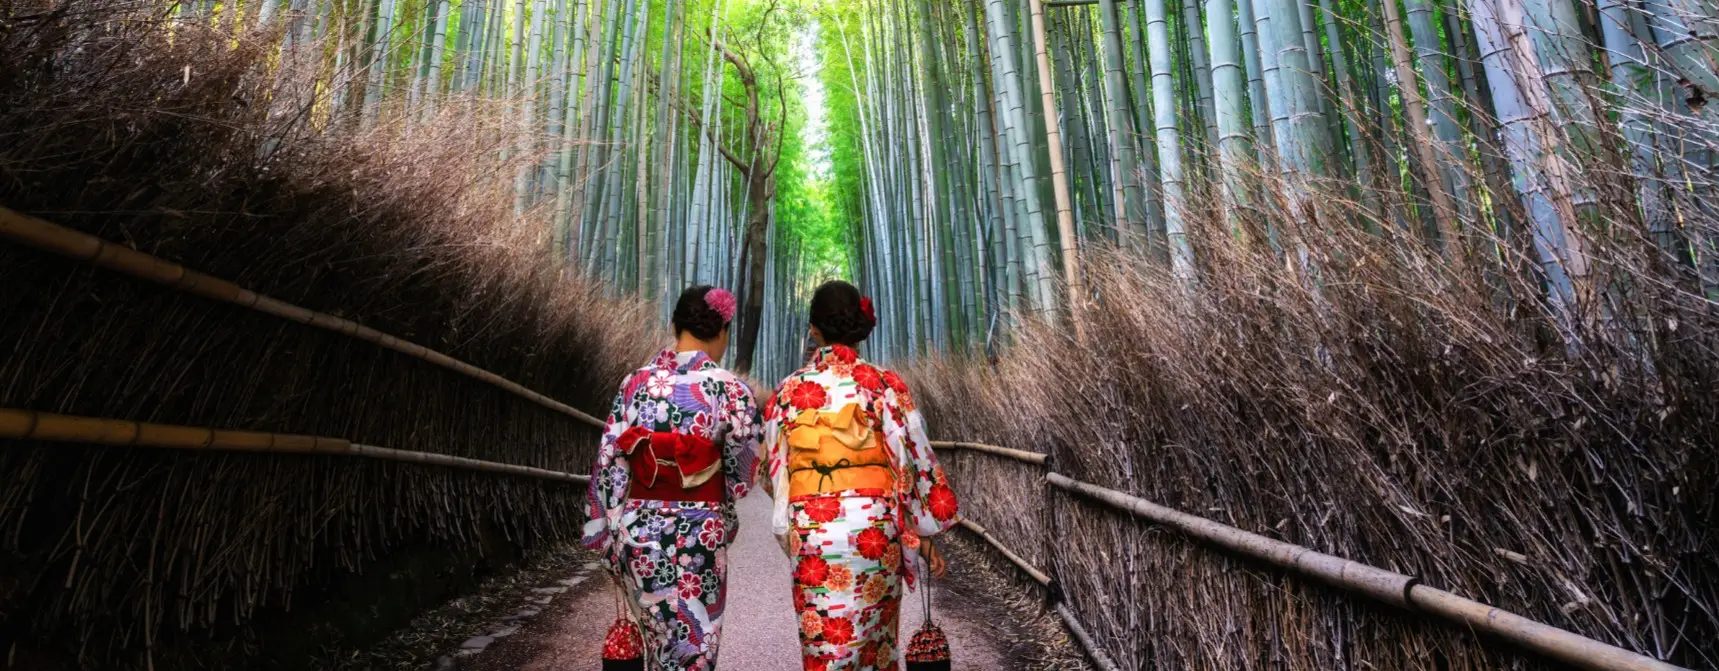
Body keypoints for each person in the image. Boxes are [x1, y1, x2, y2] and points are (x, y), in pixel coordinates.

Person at [762, 280, 961, 670]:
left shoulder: (788, 392)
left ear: (813, 329)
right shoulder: (884, 384)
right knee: (877, 643)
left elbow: (773, 472)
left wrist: (801, 510)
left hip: (814, 527)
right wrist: (919, 534)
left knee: (824, 641)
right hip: (875, 525)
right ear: (859, 326)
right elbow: (913, 458)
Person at [582, 285, 762, 671]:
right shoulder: (729, 388)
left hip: (640, 530)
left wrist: (608, 530)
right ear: (722, 331)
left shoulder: (634, 383)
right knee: (696, 643)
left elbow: (609, 461)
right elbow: (744, 470)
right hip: (701, 529)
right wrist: (720, 497)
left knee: (661, 641)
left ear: (674, 325)